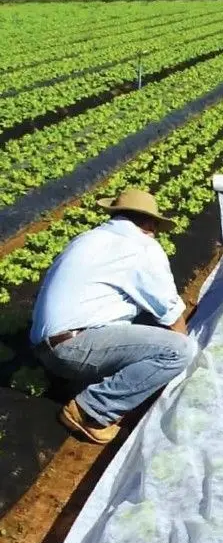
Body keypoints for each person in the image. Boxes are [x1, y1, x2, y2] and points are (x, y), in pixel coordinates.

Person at [31, 189, 197, 444]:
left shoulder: (87, 238)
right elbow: (169, 309)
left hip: (45, 348)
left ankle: (84, 386)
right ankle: (90, 411)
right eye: (156, 227)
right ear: (148, 223)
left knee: (144, 326)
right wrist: (186, 366)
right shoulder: (141, 247)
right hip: (74, 349)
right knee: (179, 350)